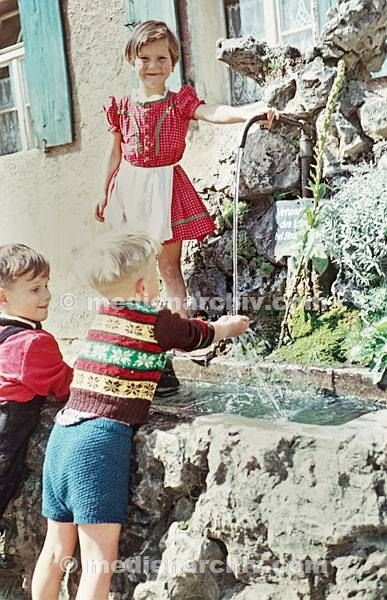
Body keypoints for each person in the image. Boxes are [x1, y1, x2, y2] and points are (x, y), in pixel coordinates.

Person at [31, 231, 250, 600]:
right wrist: (230, 326)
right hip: (96, 443)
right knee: (98, 562)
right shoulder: (155, 320)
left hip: (62, 434)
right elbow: (197, 334)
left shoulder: (103, 315)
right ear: (144, 285)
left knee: (55, 551)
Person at [95, 19, 278, 318]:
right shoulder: (122, 106)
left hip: (165, 187)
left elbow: (213, 112)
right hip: (128, 189)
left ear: (172, 63)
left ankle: (181, 328)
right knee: (132, 266)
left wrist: (251, 111)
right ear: (131, 60)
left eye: (161, 58)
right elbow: (114, 151)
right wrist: (103, 192)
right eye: (145, 58)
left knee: (168, 266)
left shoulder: (179, 102)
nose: (153, 65)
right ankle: (135, 326)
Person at [0, 244, 73, 521]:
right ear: (2, 297)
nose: (47, 295)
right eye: (35, 289)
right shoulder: (33, 343)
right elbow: (66, 387)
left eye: (46, 285)